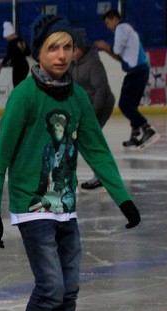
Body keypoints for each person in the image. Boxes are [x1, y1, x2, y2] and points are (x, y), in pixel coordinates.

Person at [0, 13, 141, 311]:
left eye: (68, 47)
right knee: (51, 285)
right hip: (31, 205)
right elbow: (1, 155)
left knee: (69, 289)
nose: (62, 54)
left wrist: (122, 197)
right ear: (39, 51)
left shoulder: (77, 98)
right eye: (53, 47)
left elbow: (97, 149)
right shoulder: (25, 95)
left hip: (65, 206)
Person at [94, 10, 158, 150]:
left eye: (108, 23)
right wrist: (106, 49)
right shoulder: (128, 29)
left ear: (114, 19)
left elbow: (116, 51)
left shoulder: (121, 28)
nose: (108, 26)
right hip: (140, 70)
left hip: (136, 71)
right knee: (131, 105)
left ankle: (147, 128)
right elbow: (120, 57)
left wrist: (105, 47)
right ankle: (135, 135)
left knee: (124, 105)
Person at [69, 29, 115, 190]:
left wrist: (92, 116)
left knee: (89, 140)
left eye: (75, 49)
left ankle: (102, 175)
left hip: (100, 106)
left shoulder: (93, 63)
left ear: (82, 48)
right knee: (85, 141)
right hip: (87, 108)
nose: (72, 53)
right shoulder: (73, 64)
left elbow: (101, 91)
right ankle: (100, 175)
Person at [0, 21, 31, 88]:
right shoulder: (21, 40)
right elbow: (28, 53)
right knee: (22, 85)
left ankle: (20, 98)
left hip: (18, 68)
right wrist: (22, 49)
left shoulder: (11, 43)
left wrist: (1, 65)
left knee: (16, 86)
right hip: (25, 66)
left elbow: (9, 55)